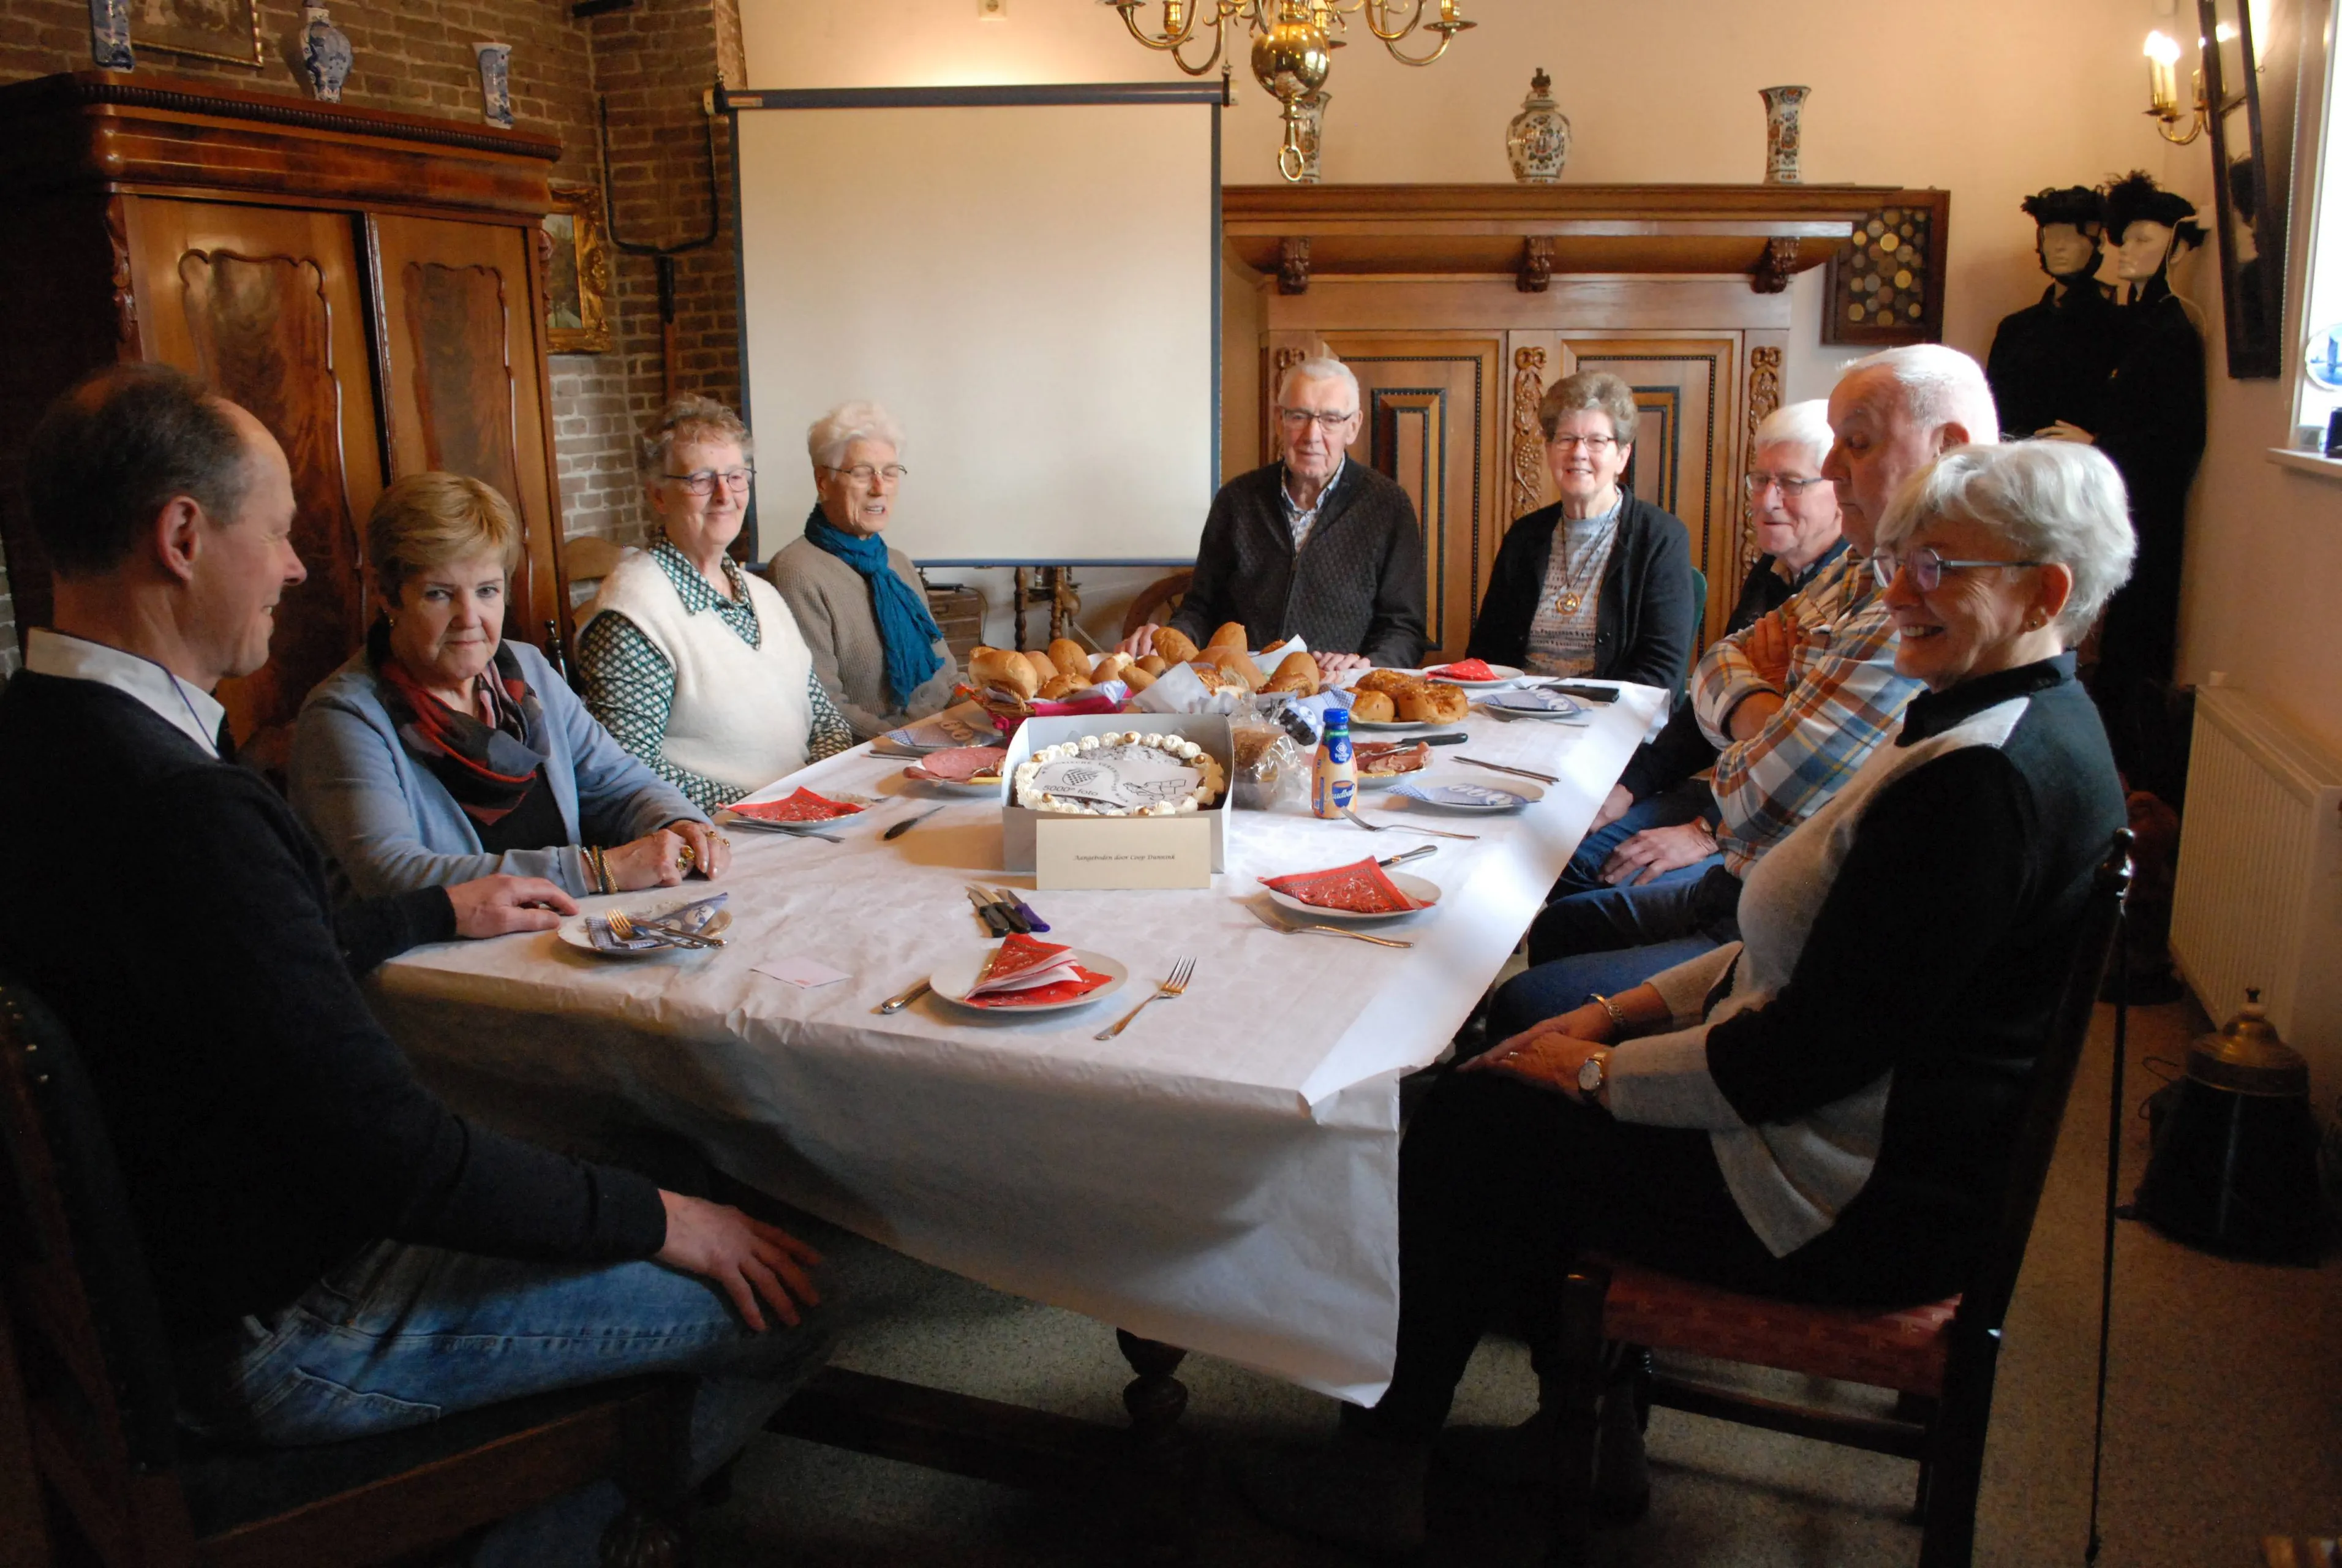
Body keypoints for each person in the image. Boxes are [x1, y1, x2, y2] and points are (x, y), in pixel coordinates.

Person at [1237, 440, 2134, 1558]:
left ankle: (1378, 1470)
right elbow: (1795, 949)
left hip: (1843, 1204)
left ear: (2044, 591)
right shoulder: (1995, 716)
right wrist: (1606, 1018)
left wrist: (1596, 1074)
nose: (1897, 590)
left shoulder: (1978, 781)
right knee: (1500, 1073)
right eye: (1897, 559)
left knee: (1463, 1126)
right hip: (1844, 1143)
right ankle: (1578, 1426)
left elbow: (1799, 1054)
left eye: (1937, 567)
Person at [0, 365, 831, 1566]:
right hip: (282, 1329)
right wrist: (672, 1223)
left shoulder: (42, 740)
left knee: (662, 1181)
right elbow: (398, 1157)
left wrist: (429, 913)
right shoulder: (189, 806)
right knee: (783, 1292)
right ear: (182, 535)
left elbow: (236, 970)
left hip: (164, 1289)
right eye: (279, 532)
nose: (294, 568)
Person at [1518, 345, 1996, 990]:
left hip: (1773, 888)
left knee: (1554, 932)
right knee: (1560, 907)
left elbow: (1764, 785)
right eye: (1759, 480)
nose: (1774, 497)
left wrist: (1706, 815)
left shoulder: (1913, 598)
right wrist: (1763, 713)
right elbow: (1714, 666)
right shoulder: (1849, 567)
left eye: (1850, 446)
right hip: (1732, 820)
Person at [293, 471, 731, 901]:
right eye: (439, 594)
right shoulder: (345, 716)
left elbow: (622, 784)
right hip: (432, 965)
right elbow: (393, 873)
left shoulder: (526, 669)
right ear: (388, 596)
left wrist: (677, 823)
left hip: (562, 938)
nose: (469, 618)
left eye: (486, 590)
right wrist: (598, 871)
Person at [1561, 399, 1847, 897]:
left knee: (1591, 875)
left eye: (1791, 483)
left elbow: (1824, 767)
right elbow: (1705, 706)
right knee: (1565, 847)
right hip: (1727, 790)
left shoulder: (1854, 591)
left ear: (1842, 491)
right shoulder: (1773, 571)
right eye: (1760, 480)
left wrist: (1704, 832)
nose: (1767, 500)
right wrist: (1627, 790)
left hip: (1785, 829)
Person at [575, 395, 854, 809]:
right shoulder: (634, 614)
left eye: (736, 476)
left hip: (800, 819)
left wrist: (816, 794)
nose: (725, 495)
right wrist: (767, 804)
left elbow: (824, 719)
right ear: (658, 496)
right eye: (701, 480)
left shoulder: (762, 595)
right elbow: (629, 770)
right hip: (715, 837)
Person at [1122, 355, 1425, 675]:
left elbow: (1404, 629)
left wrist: (1367, 665)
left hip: (1340, 694)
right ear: (1279, 420)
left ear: (1353, 427)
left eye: (1331, 420)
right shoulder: (1237, 499)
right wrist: (1169, 636)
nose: (1312, 434)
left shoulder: (1387, 506)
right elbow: (1201, 608)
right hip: (1240, 688)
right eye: (1299, 416)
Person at [1463, 369, 1697, 687]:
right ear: (1548, 450)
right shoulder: (1524, 537)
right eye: (1566, 439)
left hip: (1612, 724)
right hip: (1517, 716)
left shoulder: (1660, 538)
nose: (1579, 453)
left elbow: (1660, 670)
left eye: (1596, 441)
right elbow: (1486, 655)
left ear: (1622, 456)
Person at [767, 399, 959, 741]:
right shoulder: (796, 571)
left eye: (889, 472)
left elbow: (945, 671)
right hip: (874, 755)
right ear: (823, 482)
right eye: (861, 472)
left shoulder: (897, 563)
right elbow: (824, 704)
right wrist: (911, 743)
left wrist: (978, 711)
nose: (879, 487)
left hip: (939, 735)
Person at [1986, 185, 2123, 443]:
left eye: (2073, 236)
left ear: (2100, 242)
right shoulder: (2016, 329)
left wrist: (2098, 442)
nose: (2060, 247)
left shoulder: (2120, 327)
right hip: (2018, 464)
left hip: (2083, 469)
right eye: (2051, 236)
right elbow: (1995, 408)